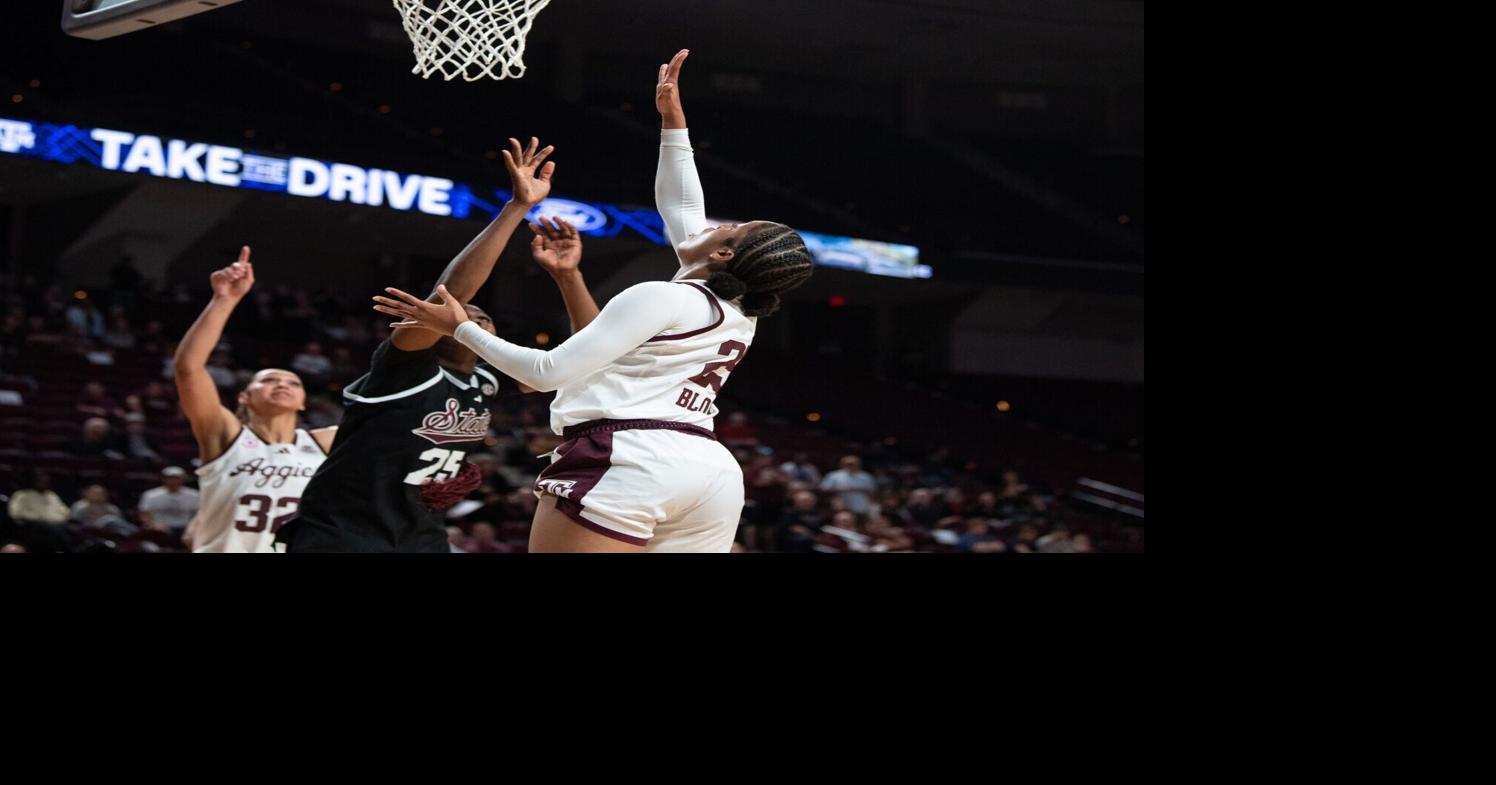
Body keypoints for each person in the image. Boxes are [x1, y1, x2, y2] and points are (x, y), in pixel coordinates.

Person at [374, 51, 815, 553]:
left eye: (730, 227)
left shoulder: (664, 296)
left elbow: (545, 373)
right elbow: (682, 206)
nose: (714, 223)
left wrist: (459, 326)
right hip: (709, 474)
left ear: (723, 253)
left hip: (631, 456)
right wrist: (673, 122)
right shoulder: (738, 312)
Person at [275, 136, 561, 553]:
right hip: (346, 531)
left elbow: (574, 360)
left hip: (420, 533)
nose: (469, 316)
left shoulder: (486, 381)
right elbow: (450, 296)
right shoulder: (405, 368)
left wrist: (568, 277)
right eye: (462, 312)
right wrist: (516, 208)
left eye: (482, 317)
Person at [174, 248, 335, 553]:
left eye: (293, 382)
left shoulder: (325, 442)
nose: (283, 384)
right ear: (245, 397)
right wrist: (224, 300)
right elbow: (188, 369)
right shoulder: (226, 436)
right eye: (269, 380)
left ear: (303, 402)